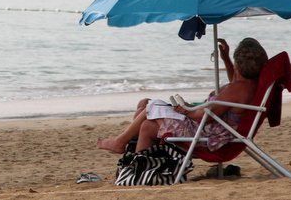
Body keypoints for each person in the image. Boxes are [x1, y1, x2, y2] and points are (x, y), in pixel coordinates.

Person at [96, 37, 268, 154]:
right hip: (216, 129)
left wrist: (184, 110)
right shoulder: (248, 86)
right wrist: (226, 59)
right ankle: (136, 158)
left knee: (151, 108)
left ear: (238, 64)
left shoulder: (235, 91)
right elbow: (235, 85)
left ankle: (121, 143)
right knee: (145, 106)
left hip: (206, 135)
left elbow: (203, 118)